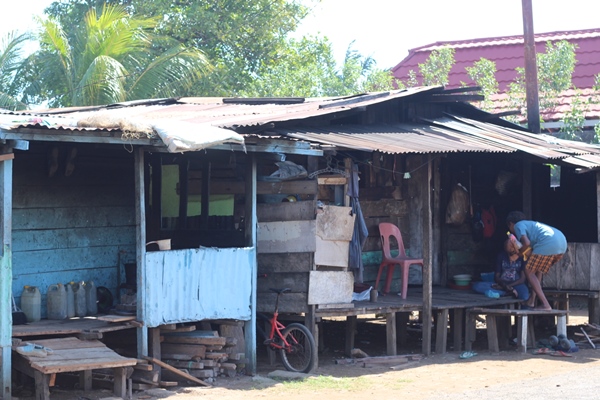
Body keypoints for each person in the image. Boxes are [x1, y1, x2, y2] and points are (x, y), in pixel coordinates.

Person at [506, 211, 567, 310]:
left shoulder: (518, 226)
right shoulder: (530, 225)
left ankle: (545, 304)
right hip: (561, 243)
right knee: (536, 270)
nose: (512, 232)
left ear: (510, 223)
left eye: (510, 228)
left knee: (528, 270)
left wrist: (519, 254)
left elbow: (526, 242)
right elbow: (530, 248)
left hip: (549, 242)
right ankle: (532, 300)